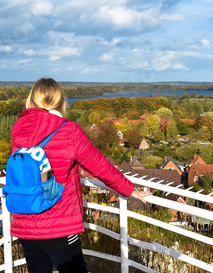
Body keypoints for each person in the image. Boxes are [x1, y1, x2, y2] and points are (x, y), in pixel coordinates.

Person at [9, 78, 147, 273]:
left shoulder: (19, 129)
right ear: (60, 101)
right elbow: (99, 166)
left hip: (26, 223)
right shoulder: (68, 131)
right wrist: (129, 189)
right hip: (58, 224)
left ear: (32, 99)